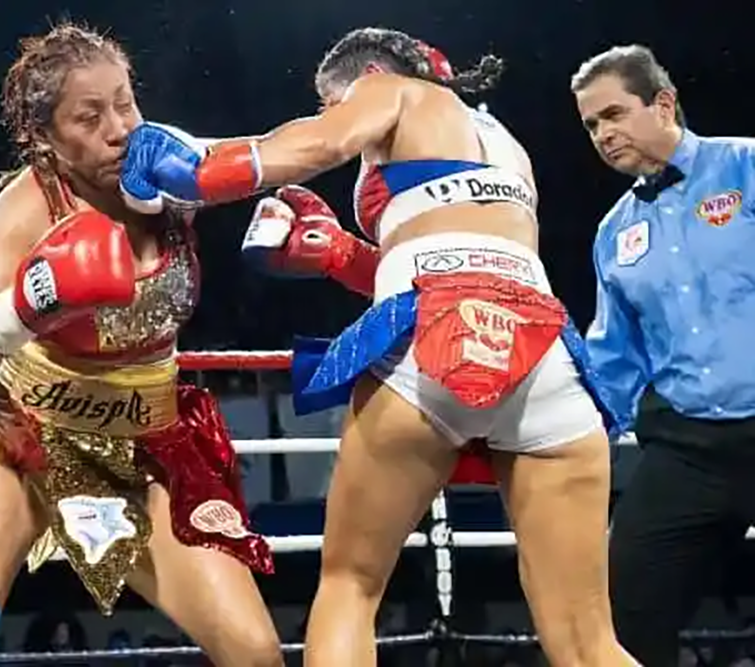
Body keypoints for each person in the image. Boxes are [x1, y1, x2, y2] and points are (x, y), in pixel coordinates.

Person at [119, 26, 639, 667]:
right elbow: (462, 258)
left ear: (366, 80)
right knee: (589, 643)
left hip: (429, 348)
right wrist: (339, 253)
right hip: (546, 357)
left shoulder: (393, 91)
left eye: (332, 103)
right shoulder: (500, 142)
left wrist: (197, 171)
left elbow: (316, 145)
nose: (337, 117)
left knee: (351, 588)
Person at [0, 21, 282, 667]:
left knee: (254, 653)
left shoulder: (169, 171)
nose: (118, 129)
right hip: (25, 435)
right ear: (46, 137)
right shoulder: (28, 206)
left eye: (125, 104)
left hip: (147, 443)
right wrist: (28, 304)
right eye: (89, 117)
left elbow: (283, 152)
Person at [572, 44, 755, 667]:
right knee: (620, 609)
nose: (603, 134)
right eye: (591, 125)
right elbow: (615, 358)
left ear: (664, 103)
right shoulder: (613, 232)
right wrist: (565, 441)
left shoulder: (745, 167)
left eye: (614, 114)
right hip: (688, 447)